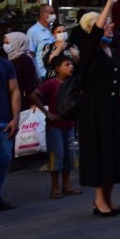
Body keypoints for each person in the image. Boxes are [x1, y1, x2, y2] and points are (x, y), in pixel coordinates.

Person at [76, 0, 120, 216]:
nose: (109, 26)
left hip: (111, 108)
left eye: (110, 23)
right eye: (105, 23)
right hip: (95, 111)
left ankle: (108, 198)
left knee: (113, 152)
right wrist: (109, 3)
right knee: (100, 152)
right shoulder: (90, 51)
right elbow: (96, 31)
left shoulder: (110, 50)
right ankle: (99, 200)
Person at [31, 56, 82, 199]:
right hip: (55, 126)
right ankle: (55, 187)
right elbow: (34, 95)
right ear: (57, 69)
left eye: (71, 64)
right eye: (67, 65)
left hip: (70, 125)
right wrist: (47, 113)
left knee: (69, 156)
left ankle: (67, 186)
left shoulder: (73, 83)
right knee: (57, 155)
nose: (71, 67)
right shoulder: (51, 83)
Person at [0, 46, 20, 212]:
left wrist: (15, 118)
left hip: (4, 121)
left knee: (3, 161)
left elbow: (15, 91)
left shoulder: (4, 64)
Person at [3, 32, 39, 104]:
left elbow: (30, 83)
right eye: (4, 43)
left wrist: (33, 103)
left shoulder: (25, 60)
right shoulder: (9, 58)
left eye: (8, 43)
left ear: (18, 43)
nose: (5, 46)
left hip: (23, 101)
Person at [27, 4, 56, 76]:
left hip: (56, 72)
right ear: (43, 15)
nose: (54, 15)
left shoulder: (54, 29)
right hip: (43, 73)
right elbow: (30, 55)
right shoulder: (33, 31)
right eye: (51, 13)